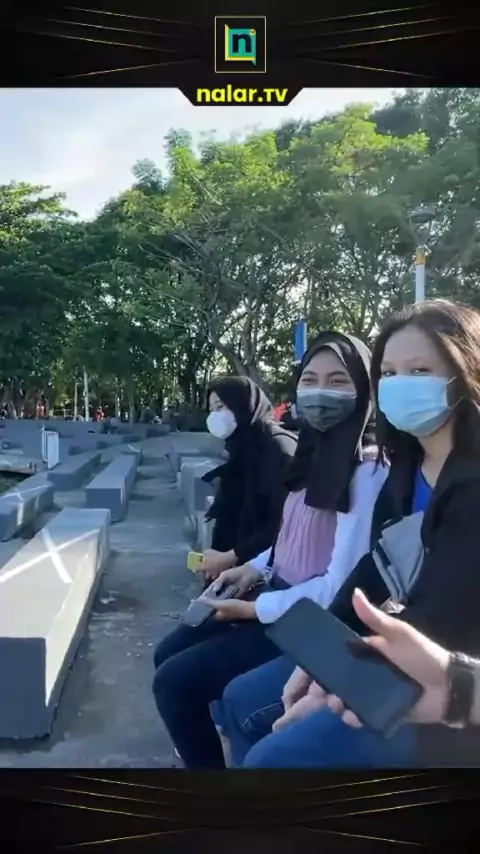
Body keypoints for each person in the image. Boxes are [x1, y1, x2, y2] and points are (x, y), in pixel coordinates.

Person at [234, 299, 480, 768]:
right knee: (243, 703)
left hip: (450, 695)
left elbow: (440, 614)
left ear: (465, 373)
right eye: (387, 373)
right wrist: (317, 655)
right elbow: (377, 566)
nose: (399, 384)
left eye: (420, 370)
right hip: (401, 655)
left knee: (272, 755)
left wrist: (338, 678)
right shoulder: (405, 466)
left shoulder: (471, 486)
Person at [152, 332, 388, 768]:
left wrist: (251, 609)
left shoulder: (367, 471)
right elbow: (289, 536)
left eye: (338, 381)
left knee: (178, 683)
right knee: (169, 654)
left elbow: (340, 589)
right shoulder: (312, 452)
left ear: (365, 390)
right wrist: (252, 569)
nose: (320, 393)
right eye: (310, 380)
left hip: (309, 622)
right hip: (274, 595)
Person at [199, 377, 297, 581]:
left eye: (220, 406)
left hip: (264, 573)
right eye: (211, 409)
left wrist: (229, 557)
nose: (214, 415)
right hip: (234, 567)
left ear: (242, 404)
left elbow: (284, 524)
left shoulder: (276, 447)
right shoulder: (242, 444)